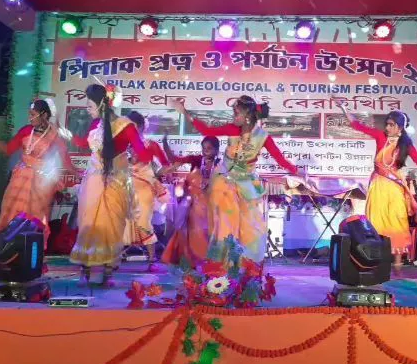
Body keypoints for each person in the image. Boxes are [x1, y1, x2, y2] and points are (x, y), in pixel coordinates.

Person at [171, 95, 298, 264]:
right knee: (224, 225)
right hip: (223, 183)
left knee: (248, 227)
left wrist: (297, 171)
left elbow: (280, 159)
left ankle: (242, 263)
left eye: (235, 113)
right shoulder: (232, 129)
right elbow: (207, 131)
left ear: (247, 116)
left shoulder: (262, 137)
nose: (233, 116)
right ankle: (221, 264)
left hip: (245, 185)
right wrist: (184, 112)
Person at [65, 84, 169, 286]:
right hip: (94, 182)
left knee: (109, 227)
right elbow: (83, 143)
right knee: (90, 226)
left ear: (102, 103)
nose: (87, 108)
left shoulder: (125, 125)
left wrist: (159, 155)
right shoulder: (97, 125)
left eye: (89, 104)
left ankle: (106, 272)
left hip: (115, 183)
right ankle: (87, 270)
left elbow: (143, 153)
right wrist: (67, 135)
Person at [336, 103, 417, 268]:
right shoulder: (380, 137)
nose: (387, 127)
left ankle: (399, 260)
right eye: (387, 124)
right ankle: (376, 259)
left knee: (397, 220)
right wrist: (343, 108)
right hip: (378, 185)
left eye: (392, 125)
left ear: (400, 128)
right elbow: (356, 125)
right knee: (376, 221)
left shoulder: (406, 145)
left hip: (395, 187)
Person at [0, 99, 76, 251]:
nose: (29, 118)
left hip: (40, 182)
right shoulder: (26, 130)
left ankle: (34, 251)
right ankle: (7, 249)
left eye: (33, 114)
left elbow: (65, 161)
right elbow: (8, 149)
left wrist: (82, 174)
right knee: (12, 212)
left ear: (44, 115)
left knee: (36, 217)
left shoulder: (54, 136)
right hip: (20, 179)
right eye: (29, 114)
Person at [161, 134, 221, 267]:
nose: (205, 151)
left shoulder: (221, 165)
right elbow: (174, 159)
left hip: (211, 206)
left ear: (217, 150)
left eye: (209, 148)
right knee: (193, 232)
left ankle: (208, 262)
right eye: (203, 148)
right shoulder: (197, 160)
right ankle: (193, 260)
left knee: (209, 234)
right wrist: (165, 145)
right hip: (192, 205)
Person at [122, 111, 170, 264]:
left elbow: (165, 164)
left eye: (133, 126)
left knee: (143, 221)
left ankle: (151, 258)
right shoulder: (122, 146)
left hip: (144, 189)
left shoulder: (151, 145)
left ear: (142, 127)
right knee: (123, 222)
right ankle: (116, 257)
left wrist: (154, 176)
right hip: (125, 188)